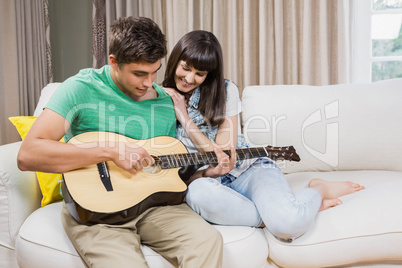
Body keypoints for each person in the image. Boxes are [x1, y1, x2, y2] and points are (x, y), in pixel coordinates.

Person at [17, 18, 223, 267]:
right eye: (139, 73)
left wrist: (204, 174)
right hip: (96, 214)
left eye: (154, 71)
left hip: (155, 208)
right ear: (114, 62)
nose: (149, 83)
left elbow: (164, 174)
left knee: (207, 243)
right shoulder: (80, 89)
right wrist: (110, 151)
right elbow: (28, 154)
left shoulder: (164, 102)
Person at [162, 30, 365, 242]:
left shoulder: (225, 90)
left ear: (209, 74)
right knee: (197, 194)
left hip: (247, 169)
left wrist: (184, 118)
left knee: (289, 223)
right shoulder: (159, 99)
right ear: (176, 60)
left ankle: (319, 190)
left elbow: (221, 154)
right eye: (185, 68)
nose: (189, 78)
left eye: (199, 74)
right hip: (206, 182)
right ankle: (283, 216)